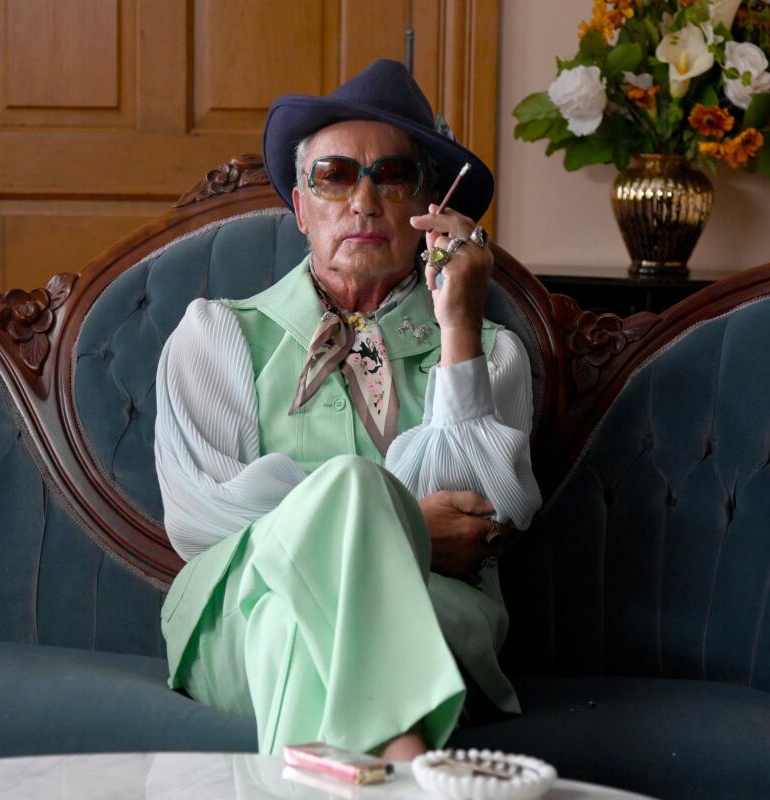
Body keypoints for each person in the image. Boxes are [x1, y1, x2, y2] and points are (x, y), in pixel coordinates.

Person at [153, 58, 542, 762]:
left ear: (427, 204)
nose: (362, 202)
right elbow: (200, 522)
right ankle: (401, 750)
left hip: (424, 613)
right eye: (334, 177)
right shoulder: (217, 338)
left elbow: (489, 519)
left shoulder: (491, 353)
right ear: (301, 207)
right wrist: (405, 526)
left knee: (288, 629)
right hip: (235, 611)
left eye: (390, 176)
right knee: (336, 517)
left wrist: (457, 326)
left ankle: (390, 754)